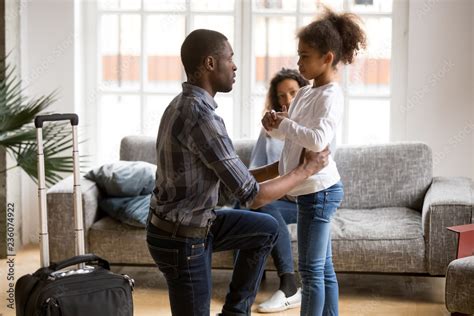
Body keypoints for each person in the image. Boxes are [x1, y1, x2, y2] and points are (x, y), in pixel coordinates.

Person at [146, 29, 330, 316]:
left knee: (265, 229)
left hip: (188, 223)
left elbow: (236, 181)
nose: (234, 66)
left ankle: (235, 312)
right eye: (229, 58)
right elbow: (254, 198)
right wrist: (306, 169)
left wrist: (284, 168)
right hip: (182, 238)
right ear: (209, 63)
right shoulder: (202, 117)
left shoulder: (183, 104)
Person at [262, 8, 367, 316]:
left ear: (327, 58)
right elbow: (296, 137)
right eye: (298, 56)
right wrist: (275, 123)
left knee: (310, 271)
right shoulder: (307, 92)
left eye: (304, 57)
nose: (298, 63)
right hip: (310, 191)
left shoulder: (331, 95)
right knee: (323, 268)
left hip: (320, 192)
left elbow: (318, 139)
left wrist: (285, 125)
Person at [247, 68, 310, 313]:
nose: (287, 100)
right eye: (281, 96)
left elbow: (313, 172)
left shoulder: (313, 129)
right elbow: (254, 172)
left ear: (303, 93)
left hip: (303, 202)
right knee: (255, 207)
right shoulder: (269, 133)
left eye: (293, 93)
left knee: (262, 206)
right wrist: (275, 188)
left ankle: (287, 284)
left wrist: (280, 187)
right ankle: (269, 284)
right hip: (274, 201)